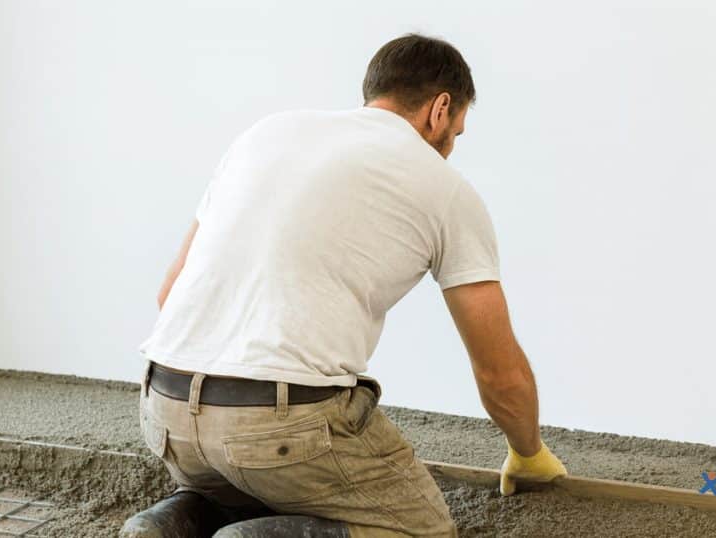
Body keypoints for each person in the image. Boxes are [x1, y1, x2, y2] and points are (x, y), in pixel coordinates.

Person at [122, 33, 567, 538]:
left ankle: (173, 523)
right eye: (457, 133)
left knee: (248, 474)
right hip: (276, 430)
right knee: (422, 528)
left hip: (165, 409)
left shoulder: (267, 134)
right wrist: (528, 453)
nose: (450, 147)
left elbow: (169, 295)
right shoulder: (445, 189)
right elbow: (499, 374)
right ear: (440, 109)